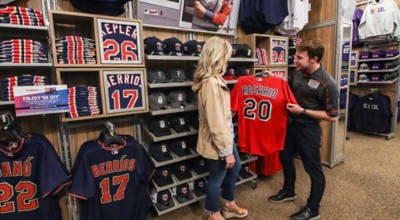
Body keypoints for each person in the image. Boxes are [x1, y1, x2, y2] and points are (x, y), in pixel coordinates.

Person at [268, 39, 339, 220]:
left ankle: (313, 209)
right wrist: (274, 79)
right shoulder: (298, 72)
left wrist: (303, 111)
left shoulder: (327, 83)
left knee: (313, 170)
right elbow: (288, 86)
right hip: (290, 127)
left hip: (309, 131)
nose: (295, 60)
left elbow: (333, 116)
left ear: (314, 59)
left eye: (299, 57)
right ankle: (289, 191)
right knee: (284, 157)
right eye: (295, 56)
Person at [192, 36, 248, 220]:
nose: (229, 59)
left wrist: (225, 113)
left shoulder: (213, 80)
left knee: (236, 166)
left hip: (224, 136)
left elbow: (216, 113)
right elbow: (215, 123)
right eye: (227, 54)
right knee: (216, 178)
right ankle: (213, 213)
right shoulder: (211, 83)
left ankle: (229, 203)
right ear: (218, 56)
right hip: (218, 140)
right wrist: (226, 151)